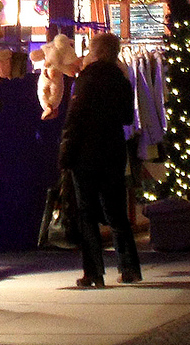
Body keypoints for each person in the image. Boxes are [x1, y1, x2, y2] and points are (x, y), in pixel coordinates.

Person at [58, 32, 142, 287]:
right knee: (116, 212)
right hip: (113, 150)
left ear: (95, 52)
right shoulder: (122, 80)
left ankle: (93, 272)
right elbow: (128, 117)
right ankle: (129, 268)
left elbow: (75, 119)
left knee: (87, 213)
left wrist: (65, 154)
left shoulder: (86, 80)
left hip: (86, 152)